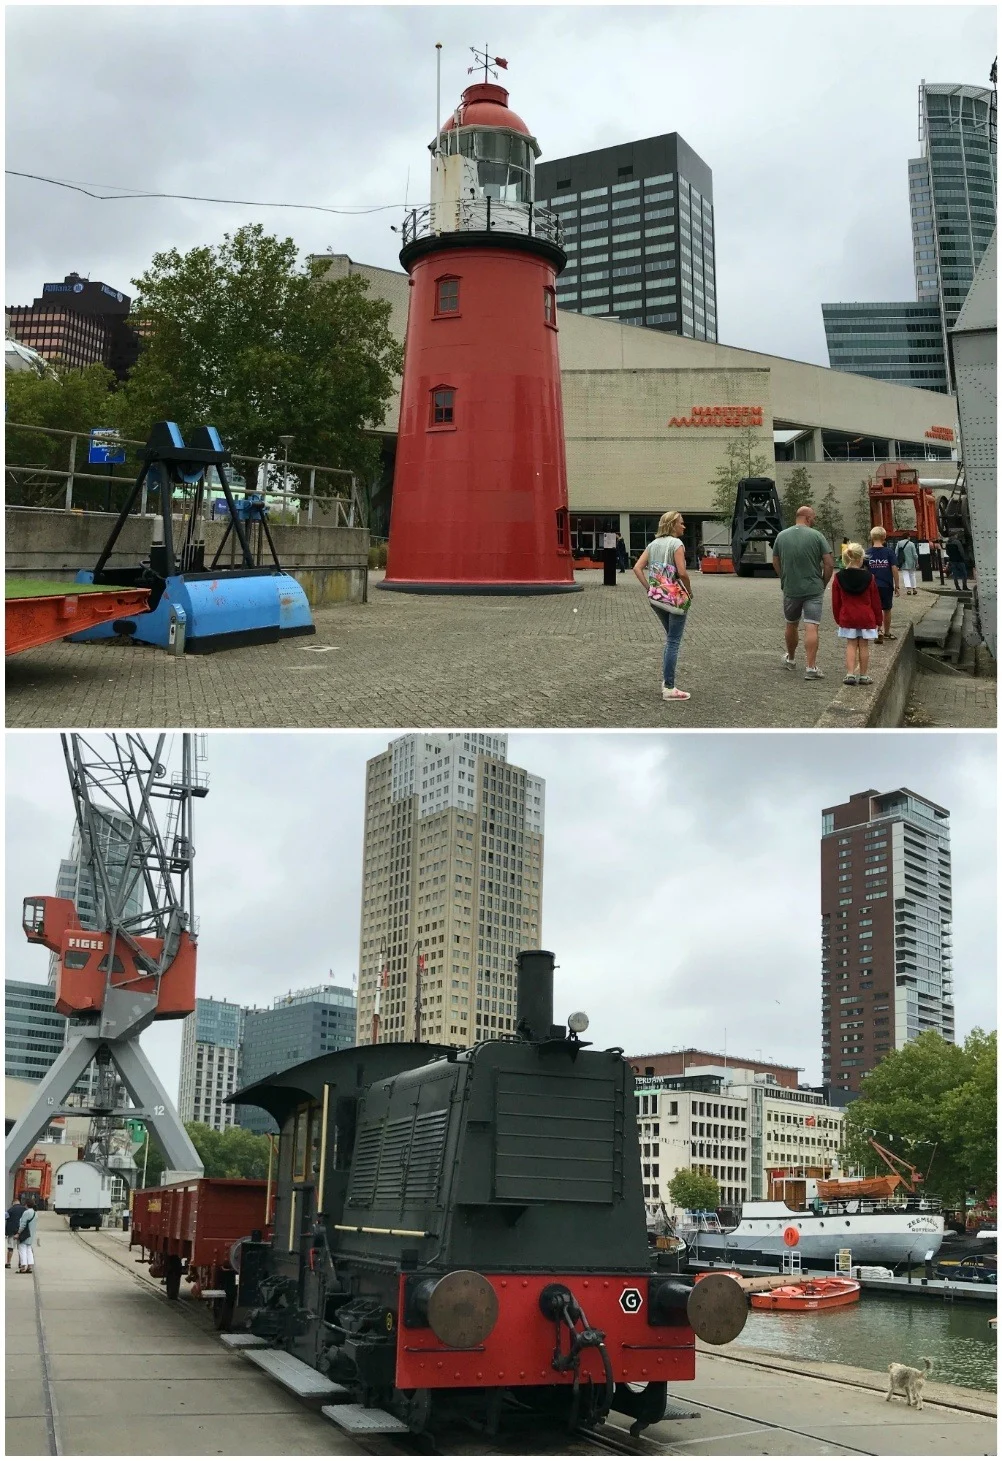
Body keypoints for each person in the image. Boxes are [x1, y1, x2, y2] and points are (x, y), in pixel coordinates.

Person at [633, 510, 692, 702]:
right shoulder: (677, 544)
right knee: (674, 641)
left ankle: (667, 681)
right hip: (674, 599)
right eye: (681, 523)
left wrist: (650, 588)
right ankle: (669, 687)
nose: (684, 526)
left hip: (657, 599)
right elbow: (682, 573)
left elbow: (637, 568)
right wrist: (689, 591)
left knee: (670, 639)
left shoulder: (653, 544)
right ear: (672, 525)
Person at [771, 505, 835, 679]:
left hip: (791, 588)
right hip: (813, 589)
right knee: (812, 625)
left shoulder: (781, 536)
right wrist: (823, 582)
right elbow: (829, 563)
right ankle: (811, 668)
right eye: (813, 518)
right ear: (807, 518)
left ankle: (791, 659)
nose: (814, 520)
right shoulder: (817, 536)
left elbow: (775, 560)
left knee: (791, 623)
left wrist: (783, 578)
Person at [831, 542, 883, 685]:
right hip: (866, 617)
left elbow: (836, 602)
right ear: (861, 559)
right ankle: (864, 675)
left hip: (847, 616)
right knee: (864, 646)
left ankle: (850, 674)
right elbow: (876, 601)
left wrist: (838, 618)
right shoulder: (869, 577)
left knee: (851, 645)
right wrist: (879, 620)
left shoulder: (838, 577)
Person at [865, 526, 900, 641]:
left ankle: (877, 629)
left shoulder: (867, 553)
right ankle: (887, 632)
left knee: (874, 608)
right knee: (887, 609)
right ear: (884, 537)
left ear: (871, 537)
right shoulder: (889, 552)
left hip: (871, 585)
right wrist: (897, 585)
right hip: (886, 584)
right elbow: (894, 568)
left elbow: (863, 570)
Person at [16, 1197, 37, 1274]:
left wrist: (18, 1233)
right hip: (31, 1234)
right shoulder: (35, 1213)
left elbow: (23, 1224)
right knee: (29, 1250)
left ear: (26, 1205)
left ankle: (23, 1267)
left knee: (22, 1249)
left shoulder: (26, 1212)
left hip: (24, 1234)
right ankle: (30, 1266)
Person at [5, 1197, 26, 1269]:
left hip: (12, 1232)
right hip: (22, 1232)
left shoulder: (10, 1210)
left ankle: (8, 1263)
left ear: (13, 1203)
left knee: (10, 1248)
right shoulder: (25, 1210)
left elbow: (5, 1217)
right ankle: (20, 1263)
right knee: (21, 1249)